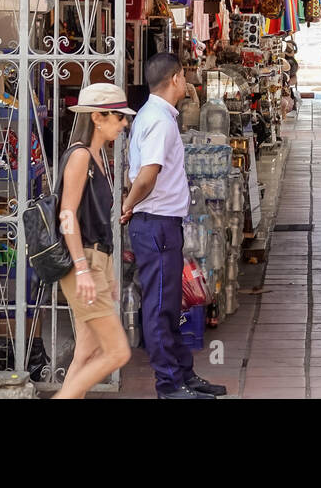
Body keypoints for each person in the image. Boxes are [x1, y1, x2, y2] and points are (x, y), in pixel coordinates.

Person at [122, 53, 227, 399]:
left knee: (169, 306)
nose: (188, 83)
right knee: (159, 307)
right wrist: (129, 204)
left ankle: (183, 375)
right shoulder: (160, 121)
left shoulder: (153, 116)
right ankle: (170, 384)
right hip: (155, 224)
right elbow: (148, 175)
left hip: (162, 224)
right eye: (185, 77)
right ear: (176, 78)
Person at [53, 83, 135, 399]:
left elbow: (99, 219)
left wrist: (107, 268)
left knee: (86, 354)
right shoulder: (80, 156)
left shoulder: (98, 155)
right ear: (98, 117)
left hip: (95, 260)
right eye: (118, 117)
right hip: (82, 262)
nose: (123, 123)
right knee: (117, 352)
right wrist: (83, 268)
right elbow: (67, 215)